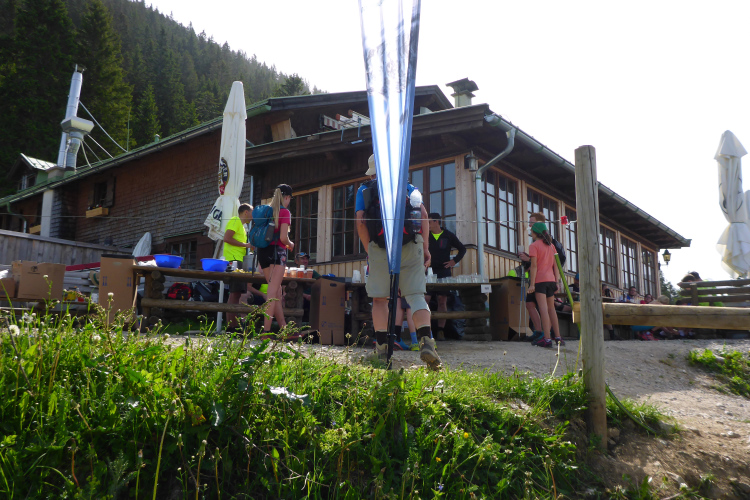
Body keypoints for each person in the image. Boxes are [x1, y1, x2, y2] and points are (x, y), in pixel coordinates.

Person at [355, 154, 439, 370]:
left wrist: (370, 250)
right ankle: (426, 342)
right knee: (416, 296)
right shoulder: (408, 187)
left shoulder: (364, 190)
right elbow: (423, 215)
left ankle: (382, 350)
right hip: (410, 245)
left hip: (380, 248)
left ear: (372, 173)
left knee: (379, 300)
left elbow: (361, 221)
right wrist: (426, 248)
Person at [257, 184, 294, 335]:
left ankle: (284, 329)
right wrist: (291, 244)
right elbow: (283, 238)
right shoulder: (284, 212)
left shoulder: (266, 211)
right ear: (287, 197)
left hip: (262, 252)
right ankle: (266, 332)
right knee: (272, 294)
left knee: (277, 291)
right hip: (277, 253)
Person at [424, 212, 466, 340]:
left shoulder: (448, 235)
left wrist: (454, 261)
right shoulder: (425, 235)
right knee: (425, 300)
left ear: (436, 222)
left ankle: (440, 331)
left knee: (442, 300)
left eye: (429, 222)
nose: (427, 225)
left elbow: (462, 249)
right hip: (429, 272)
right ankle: (426, 330)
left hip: (444, 272)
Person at [527, 221, 562, 347]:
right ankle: (558, 337)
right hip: (551, 280)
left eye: (531, 231)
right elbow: (556, 266)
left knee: (543, 309)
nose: (530, 233)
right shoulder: (551, 246)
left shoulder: (534, 246)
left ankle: (546, 339)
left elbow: (534, 266)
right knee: (551, 309)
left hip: (540, 281)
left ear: (535, 232)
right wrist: (557, 282)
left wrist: (532, 284)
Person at [222, 203, 253, 331]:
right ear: (246, 212)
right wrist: (246, 245)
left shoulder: (243, 227)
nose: (253, 216)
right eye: (252, 213)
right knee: (234, 293)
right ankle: (231, 327)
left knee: (237, 293)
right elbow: (227, 238)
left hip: (238, 260)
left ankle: (233, 325)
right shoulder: (235, 220)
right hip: (234, 260)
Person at [294, 252, 320, 322]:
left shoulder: (311, 272)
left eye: (306, 259)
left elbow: (321, 281)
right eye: (302, 259)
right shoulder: (292, 272)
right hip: (297, 296)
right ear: (296, 261)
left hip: (311, 297)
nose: (305, 261)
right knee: (300, 299)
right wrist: (305, 296)